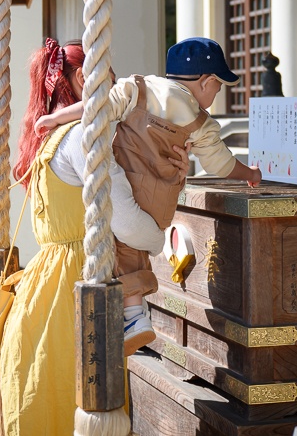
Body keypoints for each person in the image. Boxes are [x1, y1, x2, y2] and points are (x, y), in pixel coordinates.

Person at [0, 38, 188, 436]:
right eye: (111, 81)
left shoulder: (48, 140)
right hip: (77, 293)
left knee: (43, 406)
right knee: (83, 402)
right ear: (86, 78)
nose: (116, 92)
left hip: (42, 295)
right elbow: (126, 223)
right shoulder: (82, 137)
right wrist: (158, 240)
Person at [35, 37, 262, 355]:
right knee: (132, 248)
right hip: (163, 198)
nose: (216, 93)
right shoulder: (201, 123)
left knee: (121, 247)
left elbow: (96, 108)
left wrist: (55, 118)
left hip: (128, 183)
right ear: (207, 81)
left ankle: (133, 314)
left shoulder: (137, 89)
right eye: (218, 87)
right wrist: (250, 174)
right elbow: (220, 163)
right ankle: (134, 314)